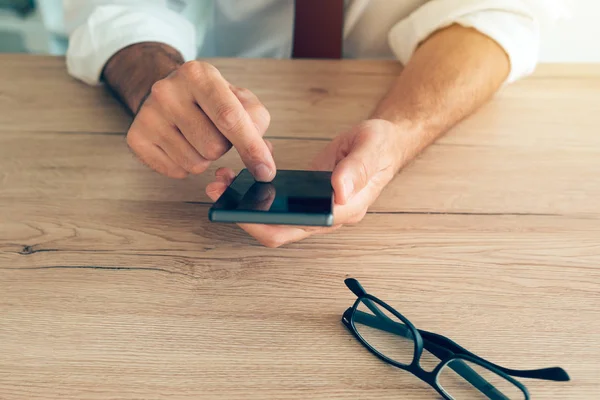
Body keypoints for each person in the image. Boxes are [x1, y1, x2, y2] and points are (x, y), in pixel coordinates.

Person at [49, 0, 566, 247]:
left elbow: (501, 14)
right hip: (242, 85)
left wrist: (401, 131)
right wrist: (155, 80)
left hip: (406, 96)